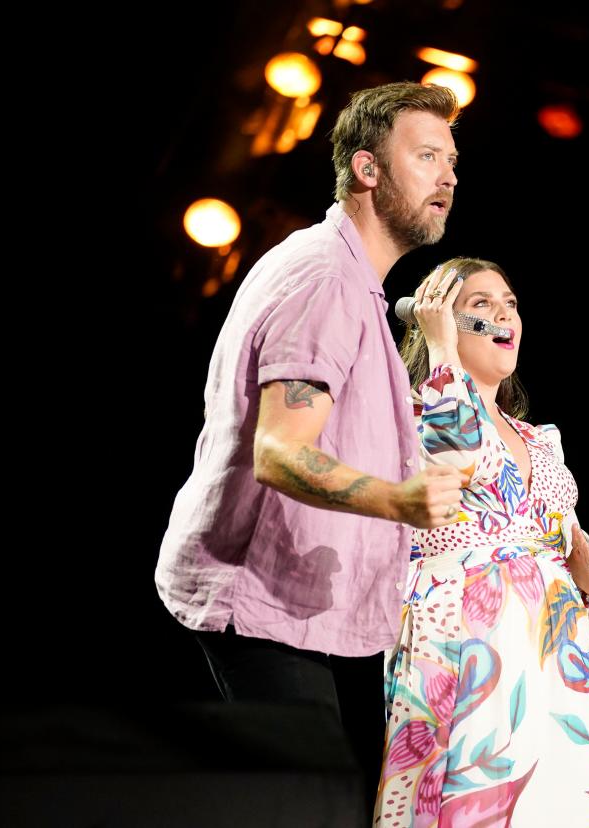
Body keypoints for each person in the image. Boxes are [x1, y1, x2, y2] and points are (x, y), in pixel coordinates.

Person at [155, 82, 466, 808]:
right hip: (255, 603)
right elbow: (279, 452)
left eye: (451, 160)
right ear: (367, 170)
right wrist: (398, 498)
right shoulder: (326, 278)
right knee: (305, 806)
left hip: (294, 610)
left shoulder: (349, 279)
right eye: (426, 157)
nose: (448, 175)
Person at [375, 258, 589, 827]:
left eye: (511, 303)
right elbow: (458, 454)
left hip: (556, 654)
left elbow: (581, 565)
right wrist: (442, 351)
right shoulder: (409, 411)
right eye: (480, 304)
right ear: (440, 320)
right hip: (464, 639)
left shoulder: (540, 439)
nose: (503, 313)